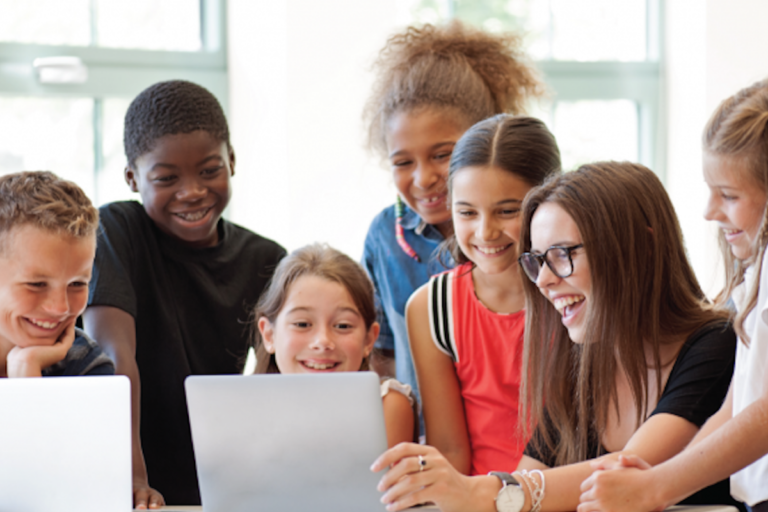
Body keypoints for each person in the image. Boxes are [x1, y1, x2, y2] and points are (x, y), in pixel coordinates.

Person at [372, 162, 741, 512]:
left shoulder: (717, 344)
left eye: (562, 255)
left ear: (641, 247)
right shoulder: (582, 361)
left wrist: (477, 491)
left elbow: (622, 478)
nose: (544, 281)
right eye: (537, 261)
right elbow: (530, 477)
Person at [83, 80, 286, 508]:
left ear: (232, 160)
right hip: (130, 473)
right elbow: (113, 358)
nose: (192, 191)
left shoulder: (266, 258)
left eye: (210, 170)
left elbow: (274, 380)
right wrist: (133, 476)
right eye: (166, 178)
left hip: (223, 479)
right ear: (132, 179)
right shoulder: (117, 231)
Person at [578, 79, 768, 512]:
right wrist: (667, 483)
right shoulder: (755, 278)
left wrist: (658, 486)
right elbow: (736, 410)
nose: (709, 211)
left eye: (730, 195)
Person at [362, 21, 542, 405]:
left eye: (443, 155)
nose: (424, 178)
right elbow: (380, 356)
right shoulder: (384, 236)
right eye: (403, 162)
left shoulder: (539, 232)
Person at [406, 114, 560, 475]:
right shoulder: (431, 307)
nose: (485, 232)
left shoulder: (576, 294)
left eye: (507, 211)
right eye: (467, 213)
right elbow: (450, 448)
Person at [248, 243, 417, 448]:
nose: (323, 341)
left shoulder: (385, 406)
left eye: (343, 325)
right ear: (269, 335)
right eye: (302, 324)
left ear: (369, 339)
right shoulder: (247, 408)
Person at [0, 171, 113, 378]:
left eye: (77, 284)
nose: (60, 308)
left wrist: (26, 370)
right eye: (37, 284)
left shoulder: (86, 364)